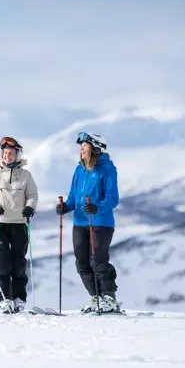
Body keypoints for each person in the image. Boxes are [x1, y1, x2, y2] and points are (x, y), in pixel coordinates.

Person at [55, 132, 121, 313]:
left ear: (95, 149)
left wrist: (97, 207)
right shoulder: (79, 169)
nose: (81, 150)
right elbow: (73, 197)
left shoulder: (107, 169)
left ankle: (109, 297)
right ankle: (96, 297)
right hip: (80, 222)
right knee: (81, 262)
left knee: (97, 261)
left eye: (84, 147)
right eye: (81, 147)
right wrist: (65, 207)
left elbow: (113, 198)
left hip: (101, 222)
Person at [0, 136, 38, 313]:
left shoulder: (26, 175)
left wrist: (30, 208)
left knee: (19, 263)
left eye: (11, 153)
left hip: (20, 223)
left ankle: (20, 299)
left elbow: (32, 196)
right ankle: (5, 298)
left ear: (17, 155)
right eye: (5, 153)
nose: (7, 156)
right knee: (2, 263)